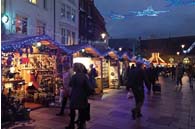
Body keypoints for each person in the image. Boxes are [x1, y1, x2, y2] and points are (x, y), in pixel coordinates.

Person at [66, 63, 92, 129]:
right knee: (81, 111)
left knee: (72, 110)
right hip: (82, 96)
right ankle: (81, 125)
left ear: (76, 68)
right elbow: (89, 87)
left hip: (74, 95)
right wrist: (87, 94)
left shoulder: (74, 76)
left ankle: (71, 124)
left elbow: (70, 85)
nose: (73, 68)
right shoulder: (84, 76)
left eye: (74, 67)